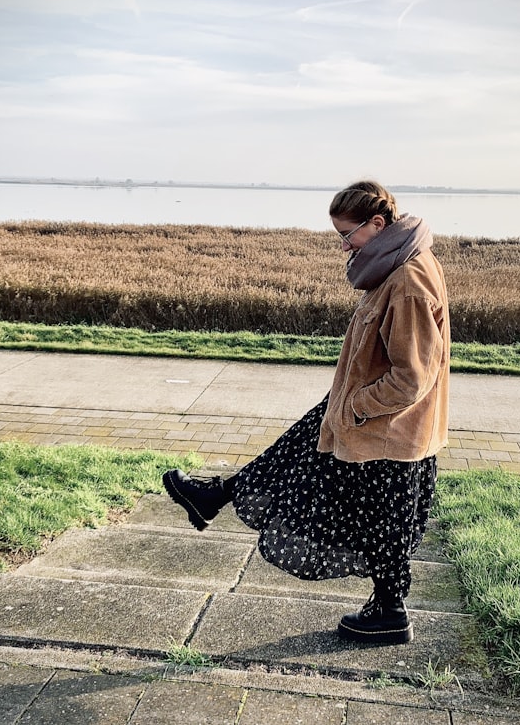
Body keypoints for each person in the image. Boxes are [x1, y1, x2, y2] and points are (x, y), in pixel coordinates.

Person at [163, 180, 450, 645]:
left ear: (378, 224)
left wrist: (356, 406)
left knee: (385, 521)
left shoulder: (409, 282)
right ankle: (214, 495)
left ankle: (390, 613)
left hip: (389, 428)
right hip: (369, 415)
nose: (344, 246)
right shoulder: (394, 264)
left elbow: (412, 377)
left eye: (348, 234)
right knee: (298, 452)